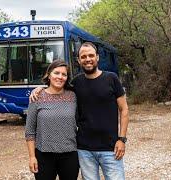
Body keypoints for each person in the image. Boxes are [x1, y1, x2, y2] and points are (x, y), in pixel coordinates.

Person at [31, 42, 130, 180]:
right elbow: (56, 85)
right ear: (78, 60)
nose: (88, 59)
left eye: (91, 55)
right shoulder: (76, 83)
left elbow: (124, 109)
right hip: (84, 150)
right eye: (83, 56)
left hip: (111, 148)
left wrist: (122, 139)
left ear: (97, 57)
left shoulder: (111, 78)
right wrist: (40, 88)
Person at [25, 60, 79, 180]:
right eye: (56, 73)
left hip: (69, 155)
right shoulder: (37, 97)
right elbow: (29, 131)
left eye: (64, 74)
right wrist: (32, 157)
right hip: (44, 156)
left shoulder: (73, 96)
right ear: (49, 75)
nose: (60, 77)